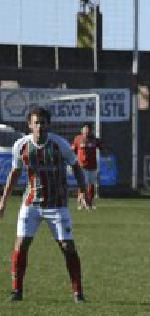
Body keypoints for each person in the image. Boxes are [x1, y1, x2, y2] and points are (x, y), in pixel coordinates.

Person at [0, 106, 90, 303]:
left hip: (56, 205)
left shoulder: (59, 145)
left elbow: (75, 166)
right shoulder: (21, 146)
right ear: (29, 125)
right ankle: (17, 291)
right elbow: (14, 174)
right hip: (31, 204)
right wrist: (3, 202)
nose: (40, 126)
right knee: (21, 244)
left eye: (43, 122)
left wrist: (83, 190)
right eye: (36, 122)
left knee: (67, 246)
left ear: (49, 124)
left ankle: (78, 292)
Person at [71, 122, 106, 208]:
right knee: (84, 184)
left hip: (92, 166)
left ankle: (90, 201)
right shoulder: (77, 139)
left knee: (91, 184)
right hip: (82, 166)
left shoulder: (94, 139)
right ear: (81, 130)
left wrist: (101, 144)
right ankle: (82, 202)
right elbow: (72, 150)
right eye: (85, 129)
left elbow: (102, 147)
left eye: (88, 129)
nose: (87, 131)